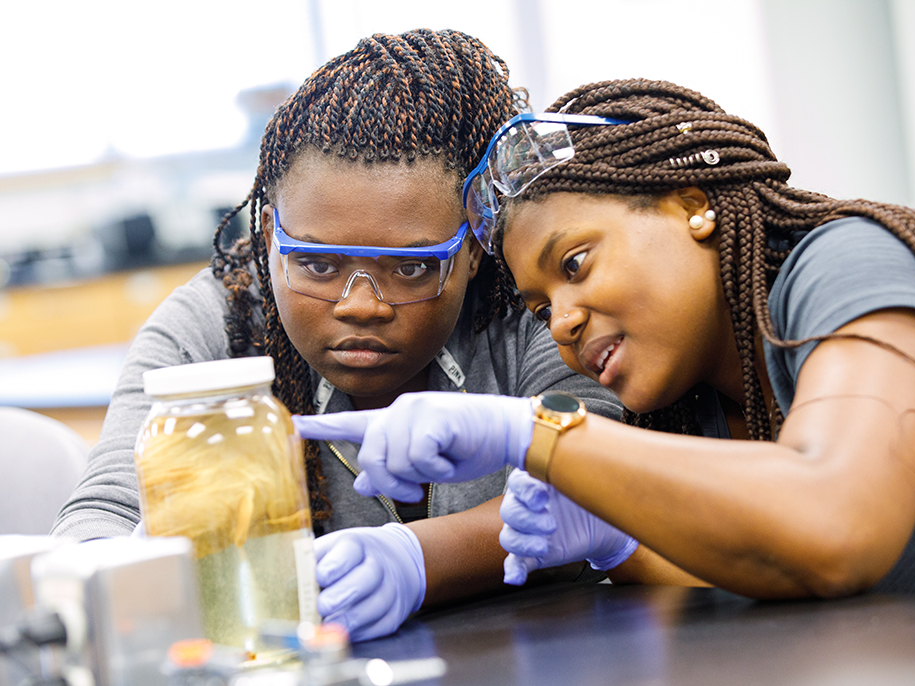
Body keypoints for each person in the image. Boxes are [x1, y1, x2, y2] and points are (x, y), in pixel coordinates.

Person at [51, 31, 621, 640]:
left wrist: (418, 560)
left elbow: (610, 474)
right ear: (270, 235)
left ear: (473, 246)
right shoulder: (214, 322)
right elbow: (102, 515)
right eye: (319, 264)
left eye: (411, 267)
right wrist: (119, 562)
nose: (362, 307)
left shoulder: (529, 302)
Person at [296, 77, 915, 598]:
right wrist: (617, 542)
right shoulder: (692, 405)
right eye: (538, 308)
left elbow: (838, 524)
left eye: (576, 264)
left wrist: (539, 434)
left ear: (690, 203)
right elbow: (762, 569)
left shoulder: (847, 264)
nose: (561, 322)